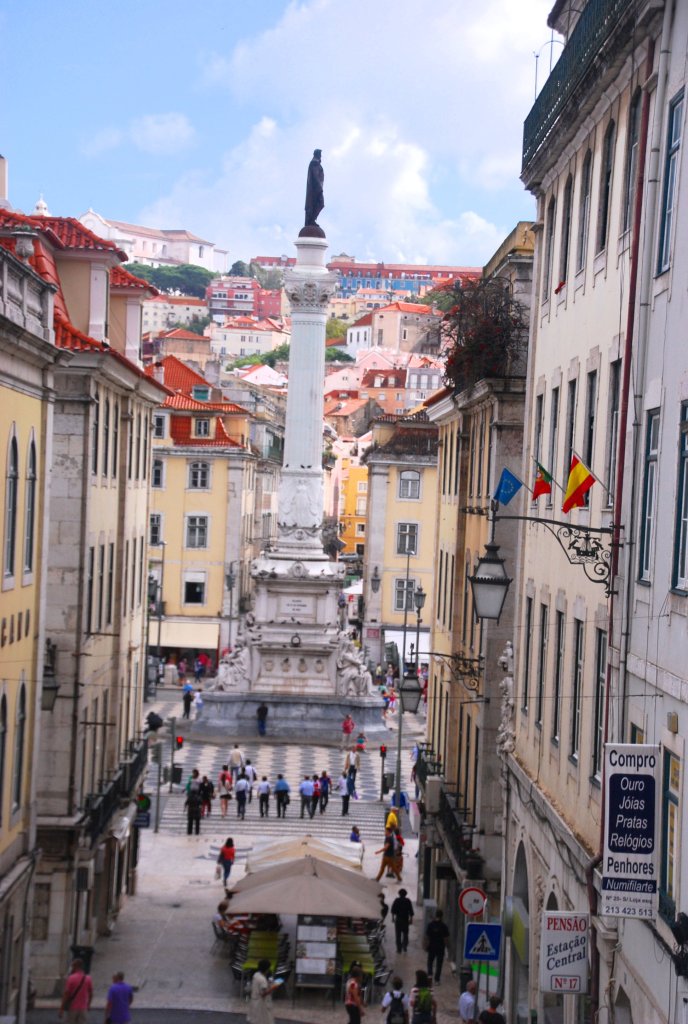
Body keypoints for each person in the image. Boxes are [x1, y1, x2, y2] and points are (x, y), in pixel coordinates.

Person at [59, 957, 93, 1023]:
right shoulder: (88, 978)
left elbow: (66, 994)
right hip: (83, 1008)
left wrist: (61, 1009)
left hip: (72, 1008)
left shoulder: (71, 978)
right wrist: (88, 1005)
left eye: (72, 966)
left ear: (75, 966)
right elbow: (91, 994)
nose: (71, 968)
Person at [247, 957, 278, 1024]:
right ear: (266, 969)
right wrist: (273, 987)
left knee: (255, 1019)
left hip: (254, 1000)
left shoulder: (256, 975)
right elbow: (263, 994)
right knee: (264, 1020)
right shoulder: (262, 980)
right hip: (261, 1004)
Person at [424, 909, 449, 984]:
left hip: (431, 946)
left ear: (435, 915)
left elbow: (427, 937)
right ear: (442, 916)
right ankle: (437, 980)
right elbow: (446, 938)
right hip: (440, 947)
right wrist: (447, 947)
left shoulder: (430, 925)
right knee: (439, 964)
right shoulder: (444, 926)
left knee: (430, 962)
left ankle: (430, 975)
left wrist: (426, 946)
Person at [304, 148, 324, 228]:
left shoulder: (316, 163)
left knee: (318, 204)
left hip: (316, 188)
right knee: (320, 203)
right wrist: (319, 188)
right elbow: (315, 176)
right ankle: (311, 220)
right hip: (315, 189)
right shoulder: (314, 163)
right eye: (320, 154)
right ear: (318, 155)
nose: (321, 156)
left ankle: (312, 220)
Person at [391, 888, 414, 954]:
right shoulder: (408, 901)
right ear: (405, 894)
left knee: (398, 935)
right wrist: (411, 919)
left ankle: (399, 949)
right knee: (405, 934)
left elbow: (393, 910)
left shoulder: (397, 900)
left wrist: (393, 918)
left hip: (398, 920)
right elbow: (411, 911)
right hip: (405, 920)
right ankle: (404, 946)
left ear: (399, 894)